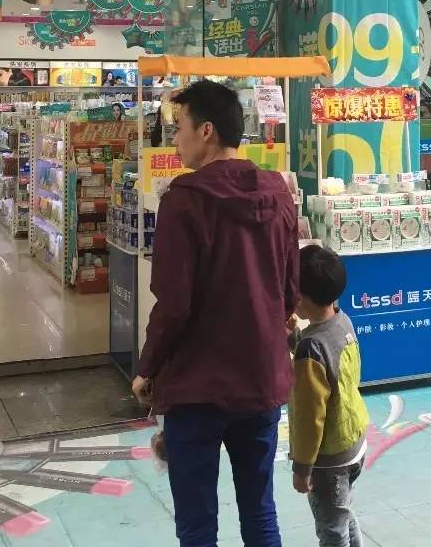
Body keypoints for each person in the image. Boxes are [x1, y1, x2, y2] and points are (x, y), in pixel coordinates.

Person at [131, 80, 299, 547]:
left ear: (206, 131)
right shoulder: (277, 192)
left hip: (196, 386)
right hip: (260, 379)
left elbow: (174, 303)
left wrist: (147, 368)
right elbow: (289, 289)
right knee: (260, 511)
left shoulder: (183, 199)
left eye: (179, 127)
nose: (174, 138)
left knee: (198, 524)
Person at [288, 245, 369, 547]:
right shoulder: (342, 321)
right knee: (343, 515)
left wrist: (302, 467)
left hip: (327, 460)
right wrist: (294, 338)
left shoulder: (310, 350)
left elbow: (310, 417)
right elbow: (329, 359)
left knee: (332, 530)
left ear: (301, 297)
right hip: (354, 443)